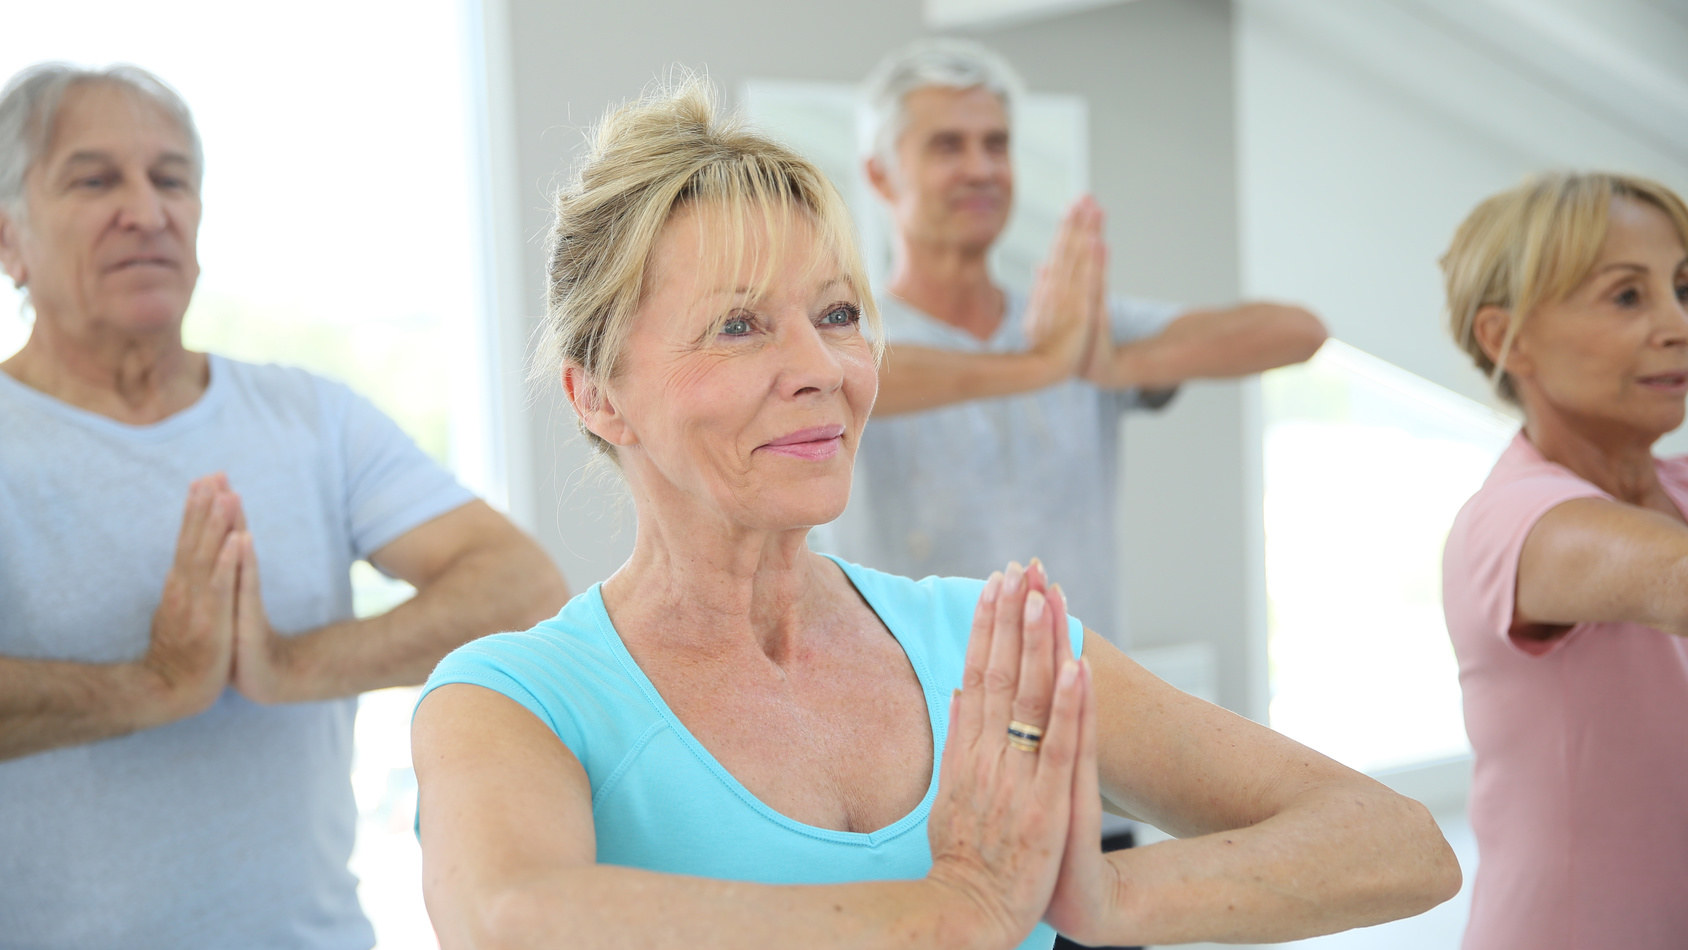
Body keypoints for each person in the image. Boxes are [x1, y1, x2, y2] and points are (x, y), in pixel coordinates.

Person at [410, 76, 1459, 950]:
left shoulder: (981, 642)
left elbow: (1399, 841)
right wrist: (948, 909)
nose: (822, 368)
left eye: (835, 314)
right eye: (737, 325)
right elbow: (508, 913)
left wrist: (1104, 895)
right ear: (597, 393)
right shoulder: (510, 699)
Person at [0, 63, 568, 947]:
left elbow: (522, 588)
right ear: (9, 237)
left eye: (172, 179)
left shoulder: (313, 417)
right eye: (94, 178)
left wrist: (287, 667)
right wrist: (149, 686)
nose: (147, 213)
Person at [817, 37, 1328, 645]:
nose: (981, 168)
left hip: (1081, 705)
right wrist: (1040, 366)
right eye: (948, 145)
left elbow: (1299, 333)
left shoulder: (1071, 326)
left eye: (997, 144)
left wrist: (1120, 363)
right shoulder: (846, 328)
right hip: (914, 713)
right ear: (880, 174)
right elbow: (852, 369)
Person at [1440, 171, 1688, 949]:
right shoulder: (1514, 521)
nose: (1678, 323)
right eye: (1627, 297)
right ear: (1504, 338)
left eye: (1683, 287)